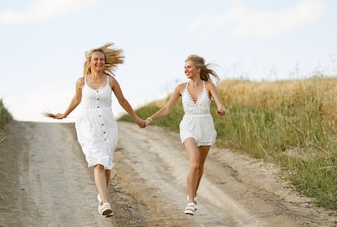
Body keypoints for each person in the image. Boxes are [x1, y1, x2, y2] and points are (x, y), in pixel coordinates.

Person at [53, 43, 146, 217]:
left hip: (108, 124)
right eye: (95, 60)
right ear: (89, 63)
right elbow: (76, 99)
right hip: (88, 124)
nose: (99, 62)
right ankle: (105, 202)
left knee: (107, 163)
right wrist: (64, 113)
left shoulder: (111, 81)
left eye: (101, 60)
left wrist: (137, 119)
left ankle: (102, 195)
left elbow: (123, 101)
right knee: (99, 162)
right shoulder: (81, 82)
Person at [144, 54, 226, 215]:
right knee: (194, 163)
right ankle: (190, 201)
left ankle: (193, 196)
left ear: (197, 68)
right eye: (185, 67)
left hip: (206, 126)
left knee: (200, 166)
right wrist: (149, 119)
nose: (185, 70)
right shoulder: (181, 88)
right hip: (188, 126)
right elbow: (167, 108)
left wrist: (221, 110)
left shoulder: (208, 86)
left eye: (188, 67)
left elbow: (220, 105)